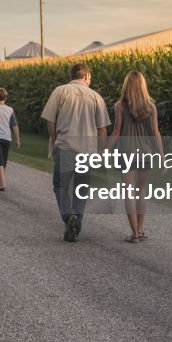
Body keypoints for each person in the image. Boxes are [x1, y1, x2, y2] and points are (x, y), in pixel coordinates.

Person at [41, 63, 110, 242]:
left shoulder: (60, 92)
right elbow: (102, 129)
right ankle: (76, 224)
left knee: (61, 186)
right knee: (81, 190)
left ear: (72, 75)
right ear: (86, 76)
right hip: (87, 151)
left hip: (65, 147)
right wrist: (103, 152)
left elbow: (50, 120)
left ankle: (69, 216)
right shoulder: (96, 97)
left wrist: (55, 139)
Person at [108, 70, 164, 243]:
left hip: (126, 153)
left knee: (129, 192)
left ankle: (134, 233)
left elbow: (116, 131)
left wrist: (105, 151)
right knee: (141, 191)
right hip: (146, 154)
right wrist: (162, 157)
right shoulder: (151, 107)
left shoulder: (120, 106)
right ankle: (141, 228)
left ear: (126, 86)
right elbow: (156, 133)